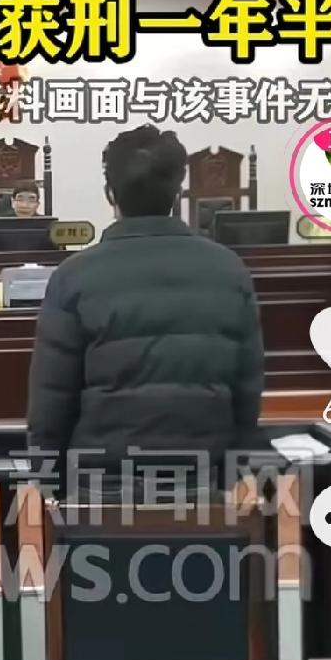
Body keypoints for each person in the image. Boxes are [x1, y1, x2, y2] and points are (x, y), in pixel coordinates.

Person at [27, 125, 263, 468]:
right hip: (203, 473)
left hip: (101, 476)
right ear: (177, 192)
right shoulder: (229, 269)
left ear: (110, 194)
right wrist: (234, 471)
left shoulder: (73, 275)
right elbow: (248, 389)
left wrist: (48, 477)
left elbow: (52, 397)